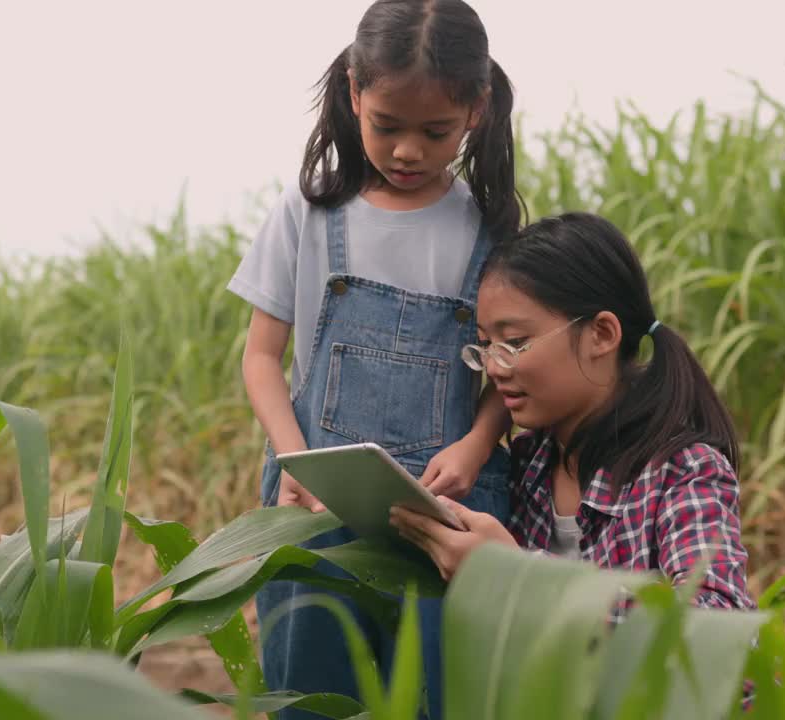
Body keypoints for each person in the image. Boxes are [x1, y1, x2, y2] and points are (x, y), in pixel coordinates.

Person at [389, 212, 785, 719]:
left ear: (601, 334)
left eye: (514, 343)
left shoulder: (683, 470)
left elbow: (717, 637)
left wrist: (521, 579)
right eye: (485, 346)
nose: (494, 367)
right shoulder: (529, 469)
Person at [227, 1, 521, 717]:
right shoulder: (309, 210)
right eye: (387, 126)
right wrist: (295, 463)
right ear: (355, 92)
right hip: (315, 508)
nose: (408, 151)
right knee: (314, 697)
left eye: (435, 132)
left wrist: (478, 444)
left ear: (476, 111)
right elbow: (262, 358)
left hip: (444, 519)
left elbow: (506, 372)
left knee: (440, 698)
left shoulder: (490, 228)